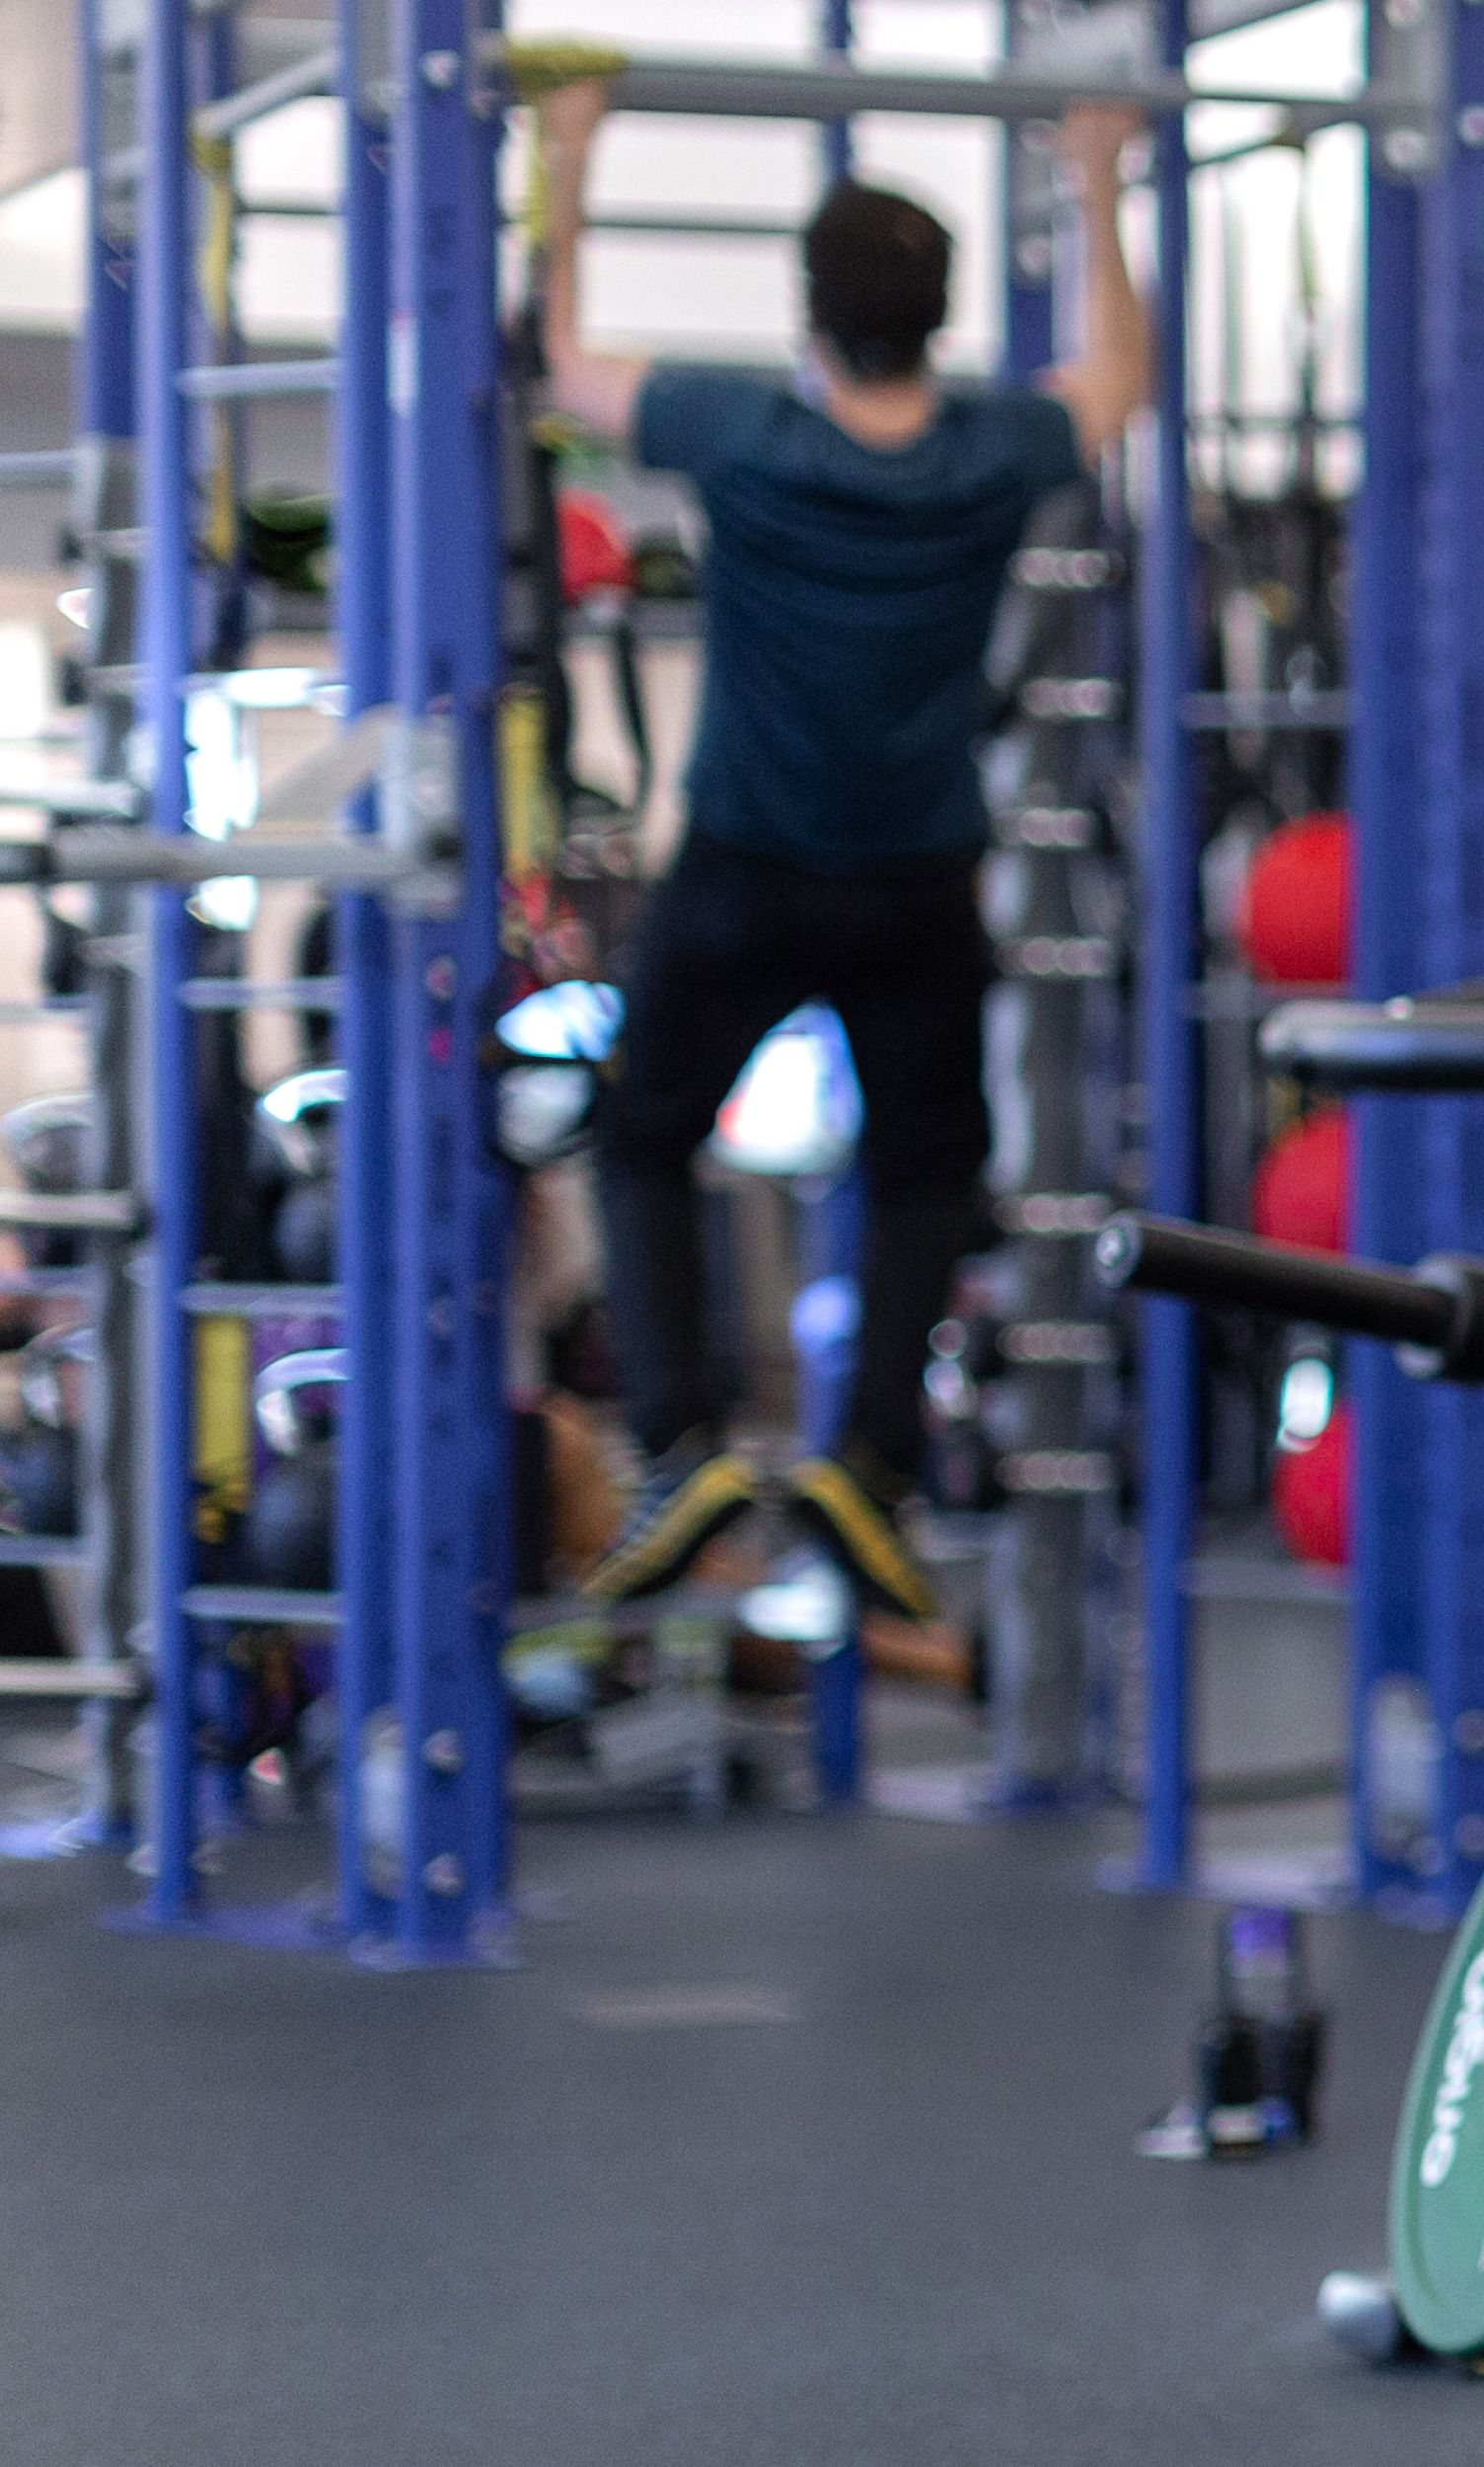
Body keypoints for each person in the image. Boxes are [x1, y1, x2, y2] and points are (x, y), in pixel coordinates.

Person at [557, 82, 1152, 1624]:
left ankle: (680, 1442)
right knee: (924, 1175)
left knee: (638, 1141)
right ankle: (868, 1461)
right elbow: (1120, 379)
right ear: (942, 321)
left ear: (807, 315)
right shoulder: (990, 452)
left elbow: (562, 361)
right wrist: (1095, 181)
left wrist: (564, 156)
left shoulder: (746, 434)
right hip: (913, 889)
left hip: (745, 873)